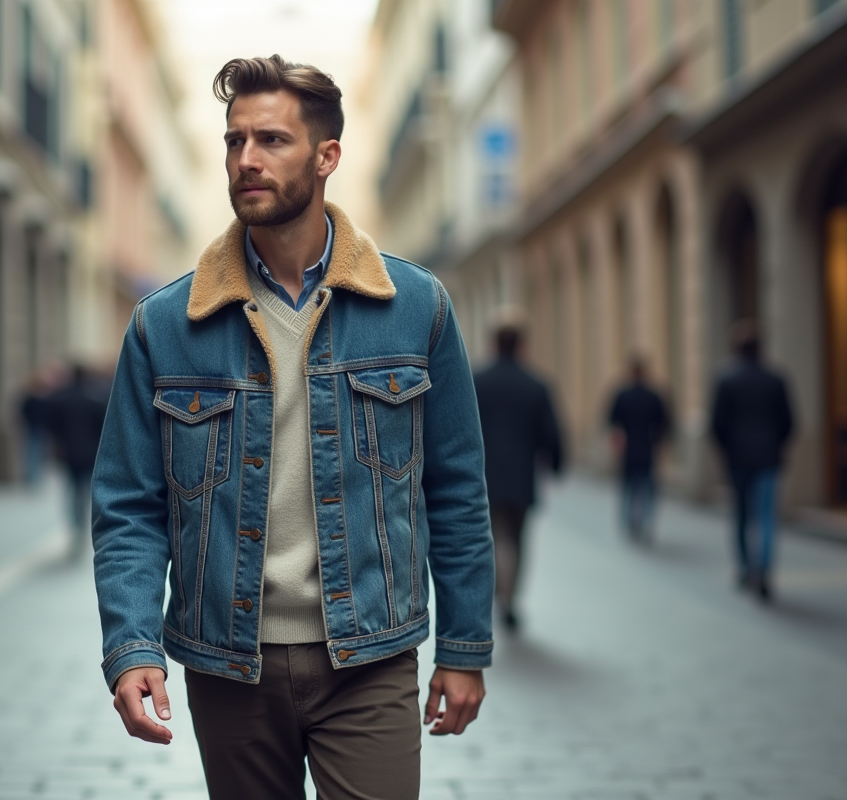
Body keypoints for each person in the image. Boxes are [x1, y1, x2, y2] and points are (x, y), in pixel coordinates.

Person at [91, 55, 494, 800]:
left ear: (326, 156)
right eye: (234, 140)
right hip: (228, 663)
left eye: (272, 140)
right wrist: (132, 645)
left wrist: (464, 646)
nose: (246, 159)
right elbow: (127, 508)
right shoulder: (163, 325)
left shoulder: (416, 307)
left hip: (369, 656)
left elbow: (457, 491)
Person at [473, 320, 562, 632]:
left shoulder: (477, 382)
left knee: (495, 536)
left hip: (486, 475)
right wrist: (556, 464)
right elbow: (551, 433)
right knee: (518, 538)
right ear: (521, 346)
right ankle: (511, 599)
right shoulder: (535, 385)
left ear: (493, 344)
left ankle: (501, 591)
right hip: (522, 476)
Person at [710, 320, 794, 601]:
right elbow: (788, 421)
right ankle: (764, 571)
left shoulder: (726, 380)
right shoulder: (775, 379)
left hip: (738, 458)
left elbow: (717, 424)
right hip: (768, 457)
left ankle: (746, 568)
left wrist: (726, 450)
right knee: (767, 516)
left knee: (743, 516)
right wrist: (777, 445)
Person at [607, 355, 671, 542]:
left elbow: (612, 422)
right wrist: (659, 443)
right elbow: (664, 424)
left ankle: (630, 520)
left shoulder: (623, 395)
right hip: (647, 448)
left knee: (628, 487)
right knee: (647, 487)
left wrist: (618, 441)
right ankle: (645, 520)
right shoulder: (653, 396)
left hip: (629, 449)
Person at [46, 363, 109, 555]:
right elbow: (102, 427)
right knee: (88, 490)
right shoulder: (95, 399)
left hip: (69, 453)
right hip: (90, 452)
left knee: (73, 489)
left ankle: (76, 524)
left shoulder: (62, 399)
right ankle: (83, 524)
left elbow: (53, 426)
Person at [18, 371, 53, 486]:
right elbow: (24, 412)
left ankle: (36, 473)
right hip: (32, 427)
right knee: (33, 451)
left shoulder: (44, 398)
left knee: (38, 451)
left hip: (41, 427)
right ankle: (32, 474)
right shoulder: (31, 398)